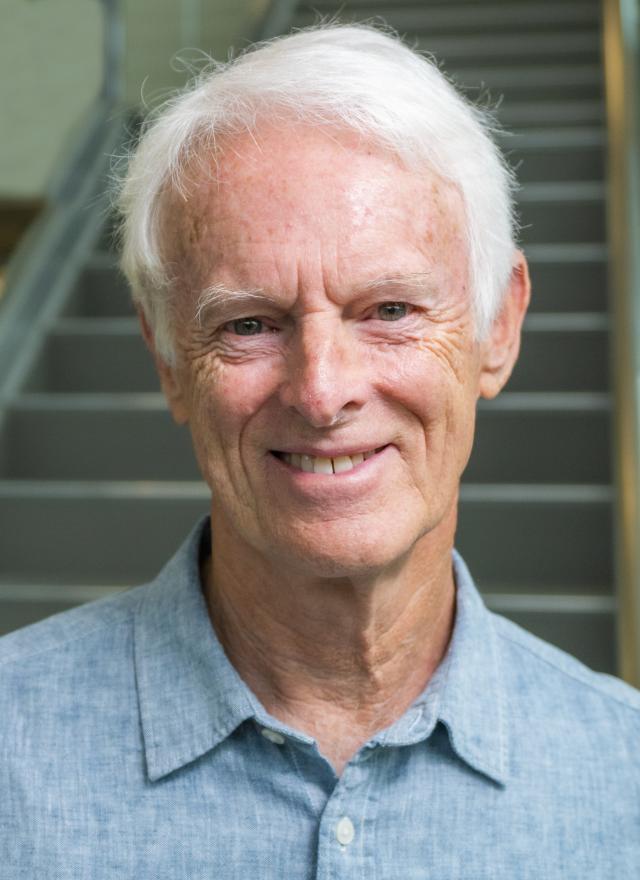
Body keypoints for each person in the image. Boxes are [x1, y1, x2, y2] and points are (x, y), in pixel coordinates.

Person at [1, 24, 639, 878]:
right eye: (249, 324)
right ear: (167, 359)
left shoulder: (622, 778)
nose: (322, 391)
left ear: (499, 327)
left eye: (390, 311)